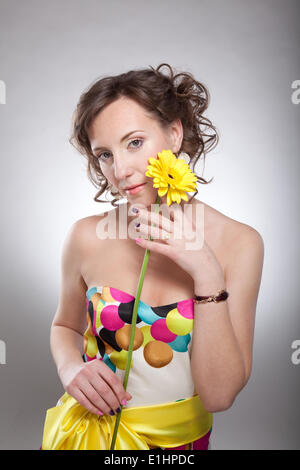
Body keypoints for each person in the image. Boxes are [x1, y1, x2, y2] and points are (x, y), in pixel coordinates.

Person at [40, 63, 264, 450]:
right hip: (87, 437)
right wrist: (71, 368)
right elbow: (65, 327)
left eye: (134, 143)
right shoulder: (84, 236)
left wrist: (206, 272)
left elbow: (219, 397)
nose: (121, 170)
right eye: (105, 155)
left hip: (178, 447)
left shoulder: (241, 243)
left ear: (174, 133)